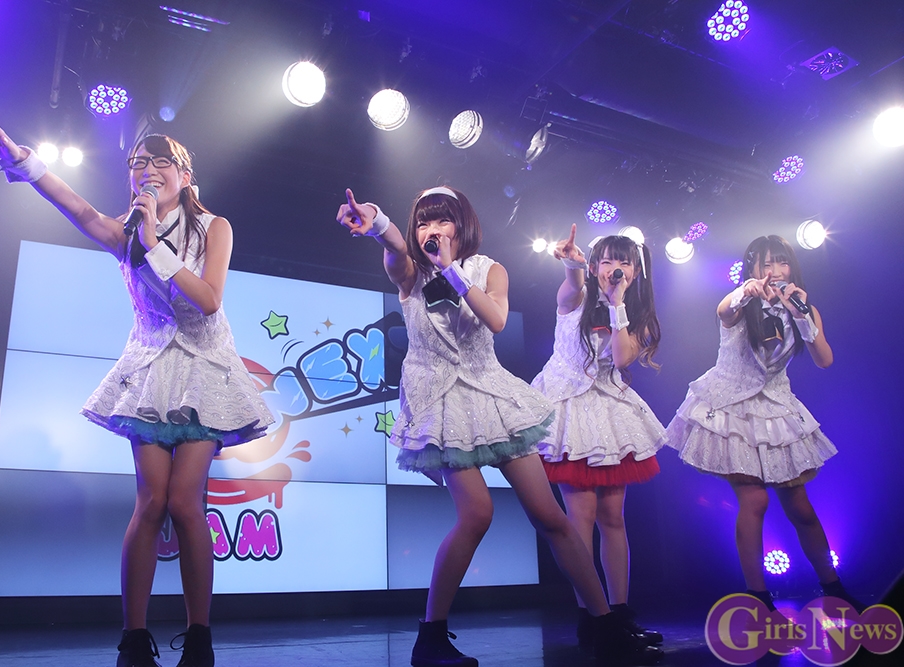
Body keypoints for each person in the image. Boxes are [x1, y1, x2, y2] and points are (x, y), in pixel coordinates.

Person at [0, 102, 274, 667]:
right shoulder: (125, 231)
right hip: (151, 369)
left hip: (205, 369)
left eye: (160, 162)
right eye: (138, 163)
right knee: (151, 500)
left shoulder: (214, 228)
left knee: (185, 501)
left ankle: (200, 637)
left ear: (185, 176)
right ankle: (133, 639)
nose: (147, 170)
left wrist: (155, 242)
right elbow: (75, 205)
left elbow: (209, 300)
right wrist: (19, 158)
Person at [336, 187, 661, 667]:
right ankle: (431, 637)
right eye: (424, 222)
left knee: (551, 517)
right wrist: (378, 223)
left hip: (492, 396)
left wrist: (452, 269)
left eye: (442, 221)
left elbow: (496, 320)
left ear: (462, 225)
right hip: (441, 402)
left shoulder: (489, 270)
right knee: (477, 514)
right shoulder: (410, 272)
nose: (432, 230)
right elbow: (395, 250)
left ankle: (605, 624)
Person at [662, 235, 859, 611]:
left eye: (781, 263)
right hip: (733, 409)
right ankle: (758, 599)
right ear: (752, 268)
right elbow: (724, 310)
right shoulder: (739, 303)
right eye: (766, 264)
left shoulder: (803, 308)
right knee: (754, 501)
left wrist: (801, 314)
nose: (775, 271)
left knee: (801, 507)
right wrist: (744, 292)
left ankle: (834, 589)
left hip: (777, 410)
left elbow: (824, 359)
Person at [531, 226, 665, 647]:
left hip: (608, 411)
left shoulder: (635, 316)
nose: (614, 268)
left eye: (624, 262)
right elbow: (571, 284)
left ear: (636, 271)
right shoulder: (576, 297)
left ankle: (619, 612)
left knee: (613, 518)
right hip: (569, 409)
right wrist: (572, 264)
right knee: (580, 518)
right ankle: (591, 613)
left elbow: (622, 358)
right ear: (594, 266)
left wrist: (617, 304)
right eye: (606, 261)